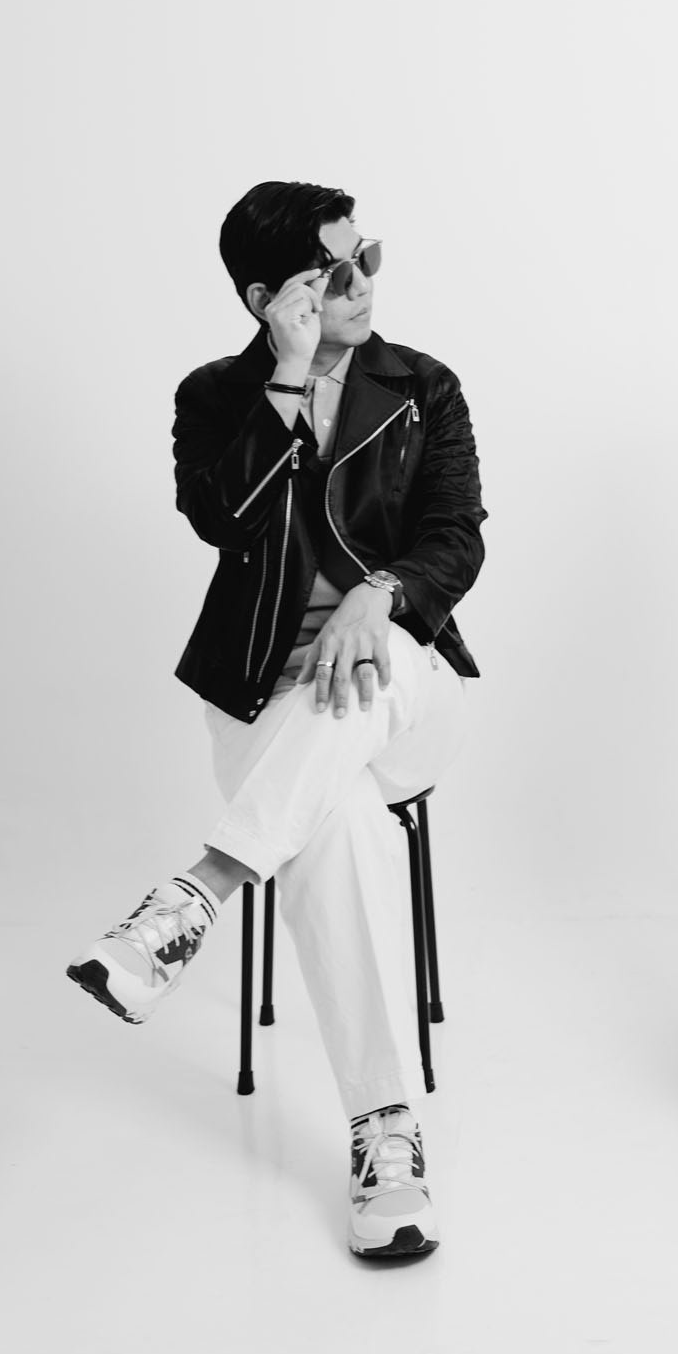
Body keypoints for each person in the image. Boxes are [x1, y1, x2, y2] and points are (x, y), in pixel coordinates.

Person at [68, 180, 485, 1259]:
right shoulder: (216, 394)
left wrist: (378, 595)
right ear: (266, 298)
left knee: (374, 669)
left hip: (409, 688)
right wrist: (288, 379)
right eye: (331, 273)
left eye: (366, 257)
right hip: (267, 699)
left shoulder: (423, 385)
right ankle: (386, 1136)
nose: (361, 284)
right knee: (332, 823)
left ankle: (197, 892)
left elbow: (457, 537)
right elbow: (221, 518)